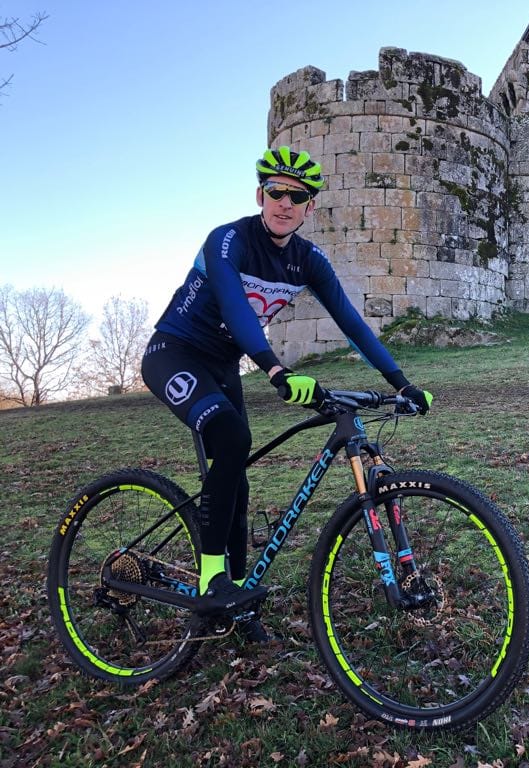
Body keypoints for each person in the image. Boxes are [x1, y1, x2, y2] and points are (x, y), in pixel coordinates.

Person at [141, 146, 431, 640]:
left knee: (237, 481)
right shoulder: (228, 240)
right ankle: (211, 580)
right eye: (276, 191)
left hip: (224, 365)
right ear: (260, 195)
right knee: (232, 438)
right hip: (175, 352)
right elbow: (234, 308)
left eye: (297, 196)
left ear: (309, 207)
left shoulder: (307, 260)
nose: (285, 203)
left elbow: (352, 324)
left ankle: (234, 604)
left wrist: (401, 382)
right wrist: (276, 370)